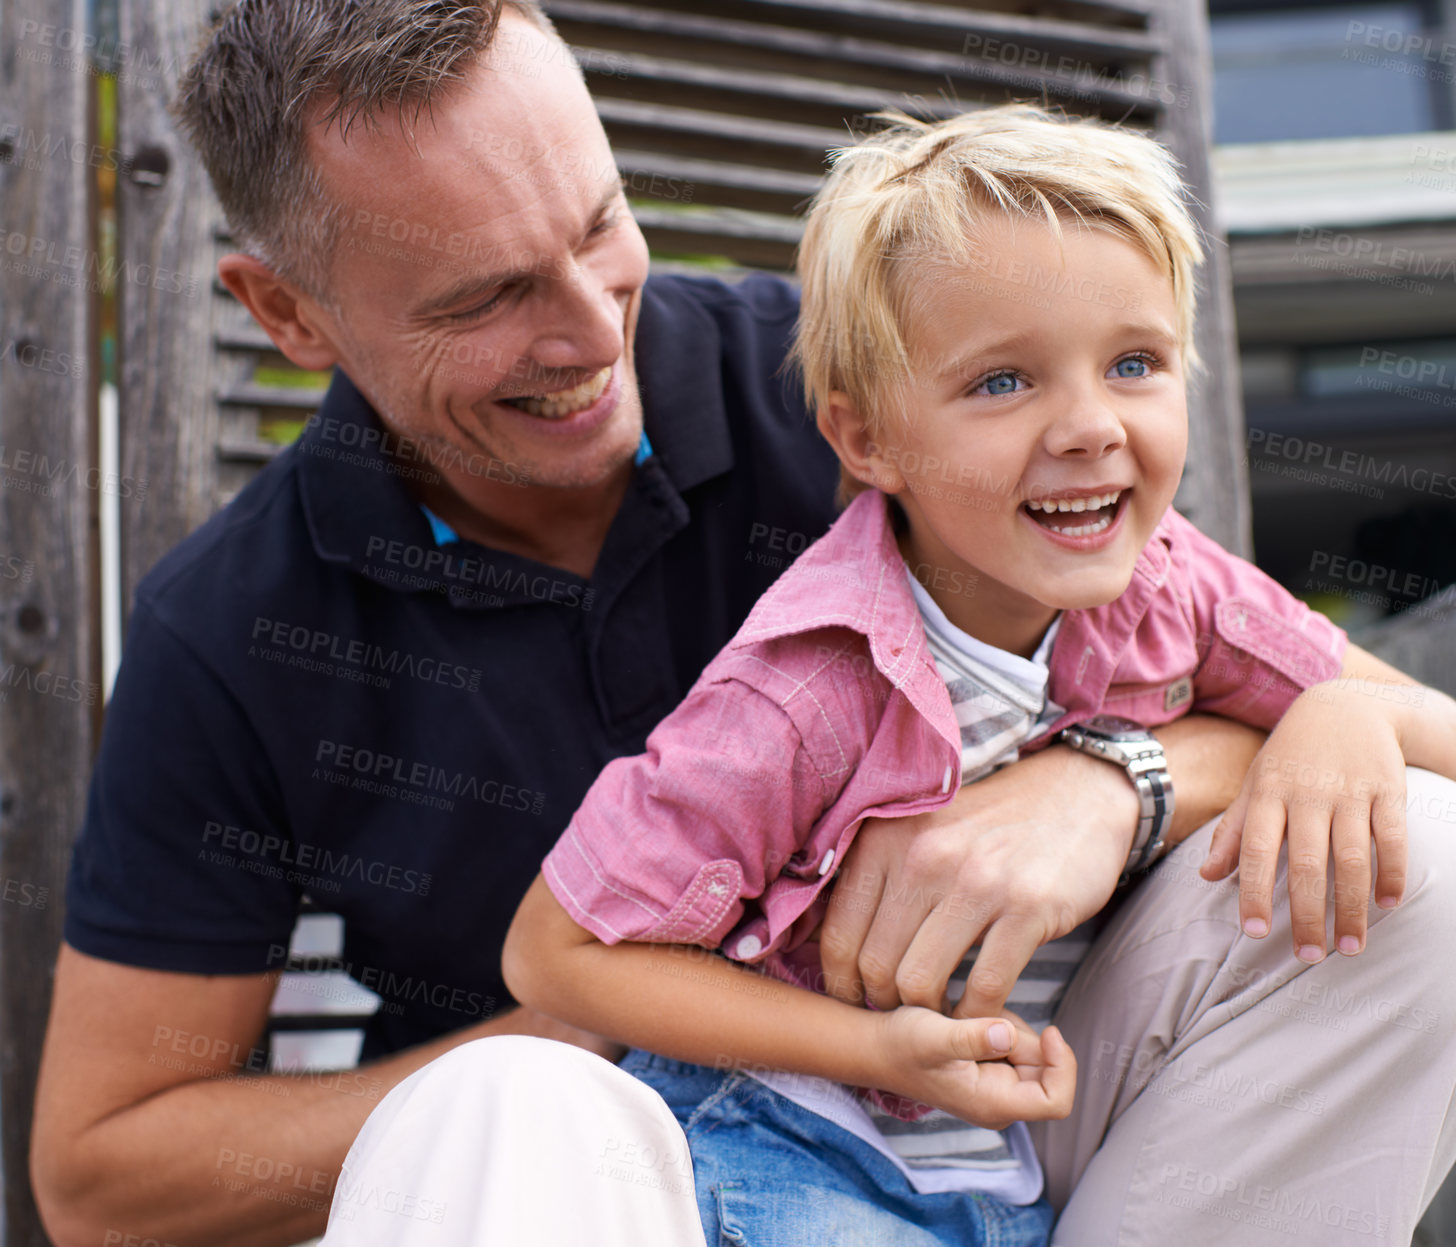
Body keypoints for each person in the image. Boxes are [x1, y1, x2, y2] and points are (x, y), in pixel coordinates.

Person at [27, 5, 1275, 1246]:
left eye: (599, 224)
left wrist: (1109, 782)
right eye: (487, 298)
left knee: (1434, 857)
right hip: (547, 1200)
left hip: (1012, 1107)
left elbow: (1312, 696)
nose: (588, 334)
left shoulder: (877, 390)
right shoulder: (230, 629)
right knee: (508, 1100)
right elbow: (100, 1176)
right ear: (289, 318)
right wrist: (601, 1023)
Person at [498, 106, 1456, 1245]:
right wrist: (873, 1047)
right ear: (864, 439)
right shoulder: (808, 681)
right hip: (803, 1145)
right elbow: (554, 949)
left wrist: (1343, 714)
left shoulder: (1175, 585)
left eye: (1134, 362)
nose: (1090, 425)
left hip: (1019, 1142)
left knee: (1433, 841)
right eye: (1002, 382)